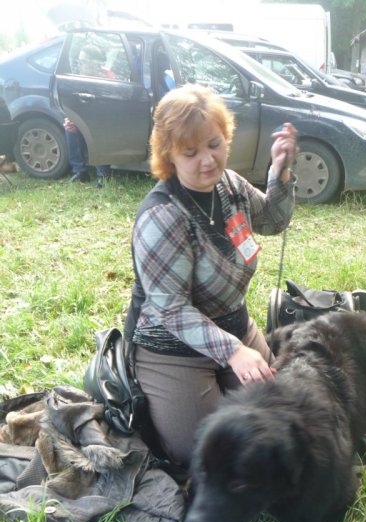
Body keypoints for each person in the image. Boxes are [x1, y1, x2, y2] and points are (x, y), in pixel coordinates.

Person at [124, 84, 297, 468]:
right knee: (209, 453)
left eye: (215, 144)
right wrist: (233, 352)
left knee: (277, 418)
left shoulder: (230, 186)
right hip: (172, 349)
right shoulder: (162, 217)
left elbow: (273, 218)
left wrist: (280, 172)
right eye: (191, 152)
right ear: (168, 154)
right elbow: (170, 309)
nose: (208, 160)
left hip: (234, 326)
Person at [65, 44, 113, 187]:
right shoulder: (78, 78)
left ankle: (103, 174)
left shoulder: (107, 77)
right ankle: (80, 171)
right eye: (79, 61)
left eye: (83, 61)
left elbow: (111, 105)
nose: (80, 64)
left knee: (97, 130)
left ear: (94, 63)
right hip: (84, 119)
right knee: (69, 126)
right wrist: (72, 119)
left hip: (106, 121)